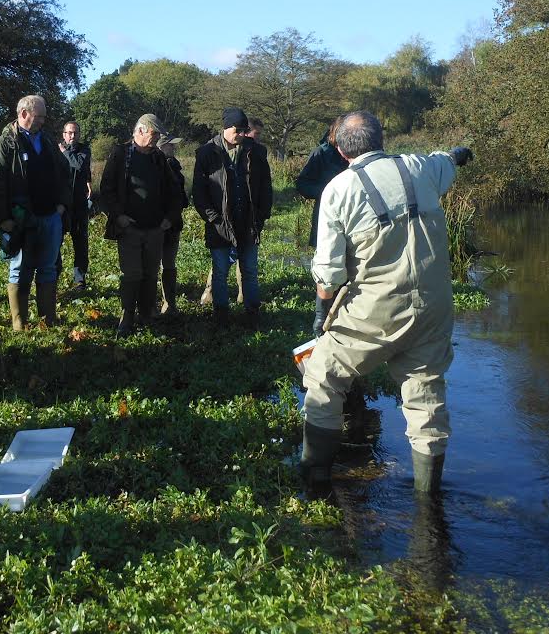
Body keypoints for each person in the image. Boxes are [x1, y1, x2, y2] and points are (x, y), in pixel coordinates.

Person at [299, 110, 472, 496]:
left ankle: (315, 479)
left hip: (376, 311)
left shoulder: (339, 190)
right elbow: (447, 160)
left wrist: (320, 317)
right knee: (425, 395)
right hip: (434, 306)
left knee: (324, 376)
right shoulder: (420, 166)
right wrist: (459, 154)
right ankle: (429, 502)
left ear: (341, 150)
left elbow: (328, 274)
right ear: (382, 139)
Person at [0, 94, 69, 330]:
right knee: (19, 269)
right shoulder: (5, 144)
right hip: (20, 220)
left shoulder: (48, 141)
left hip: (50, 215)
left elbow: (64, 173)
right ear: (24, 114)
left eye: (43, 117)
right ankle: (19, 323)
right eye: (39, 117)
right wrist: (3, 219)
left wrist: (62, 205)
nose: (43, 121)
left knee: (48, 267)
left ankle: (47, 320)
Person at [99, 114, 182, 337]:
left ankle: (147, 314)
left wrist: (169, 218)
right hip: (130, 228)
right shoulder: (120, 154)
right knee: (131, 274)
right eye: (154, 134)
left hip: (155, 229)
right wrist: (119, 217)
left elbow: (175, 192)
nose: (156, 139)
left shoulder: (158, 158)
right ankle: (126, 318)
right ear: (141, 130)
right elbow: (106, 189)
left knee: (150, 273)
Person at [192, 107, 272, 325]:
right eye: (238, 129)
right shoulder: (206, 153)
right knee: (219, 271)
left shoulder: (256, 151)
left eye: (245, 130)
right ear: (226, 128)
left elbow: (265, 185)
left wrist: (262, 215)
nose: (242, 134)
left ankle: (252, 312)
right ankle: (221, 314)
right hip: (219, 223)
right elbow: (199, 192)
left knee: (250, 270)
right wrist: (213, 218)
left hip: (248, 222)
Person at [295, 116, 349, 336]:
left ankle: (346, 316)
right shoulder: (321, 153)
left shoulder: (358, 154)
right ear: (336, 132)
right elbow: (302, 184)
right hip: (327, 218)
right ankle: (325, 319)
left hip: (355, 220)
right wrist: (330, 193)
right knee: (328, 267)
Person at [55, 120, 92, 286]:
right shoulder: (55, 150)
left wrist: (64, 152)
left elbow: (79, 164)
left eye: (75, 133)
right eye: (69, 133)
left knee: (80, 242)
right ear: (64, 134)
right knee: (56, 241)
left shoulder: (84, 149)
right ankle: (53, 277)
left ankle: (79, 279)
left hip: (79, 204)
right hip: (61, 205)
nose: (72, 136)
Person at [156, 133, 188, 317]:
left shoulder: (174, 165)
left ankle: (169, 304)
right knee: (158, 265)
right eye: (170, 145)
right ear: (161, 146)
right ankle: (162, 305)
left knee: (168, 265)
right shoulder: (162, 166)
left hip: (173, 223)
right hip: (160, 225)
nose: (173, 148)